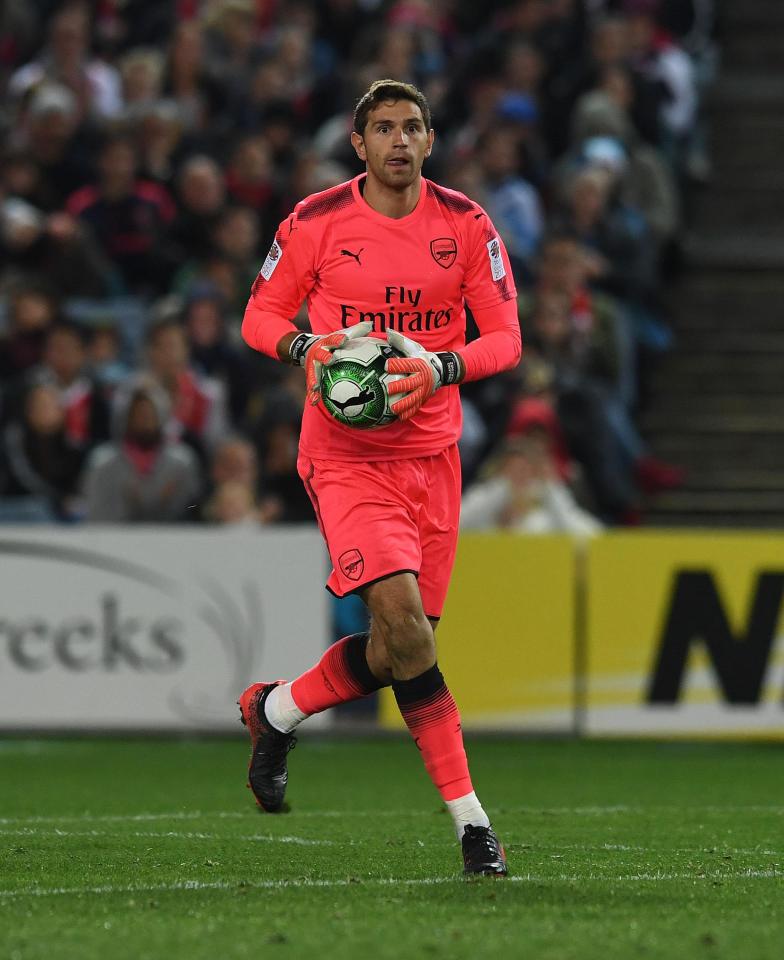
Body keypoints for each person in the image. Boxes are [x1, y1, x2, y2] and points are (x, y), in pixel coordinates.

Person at [240, 79, 521, 877]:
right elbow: (259, 317)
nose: (400, 140)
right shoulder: (314, 222)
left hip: (432, 459)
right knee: (403, 626)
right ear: (357, 144)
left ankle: (277, 708)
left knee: (406, 648)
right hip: (345, 456)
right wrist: (304, 349)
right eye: (383, 129)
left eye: (413, 127)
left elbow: (505, 338)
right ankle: (474, 828)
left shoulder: (467, 225)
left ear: (431, 141)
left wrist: (442, 364)